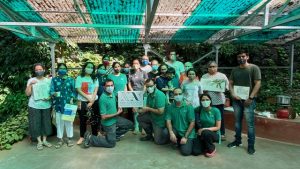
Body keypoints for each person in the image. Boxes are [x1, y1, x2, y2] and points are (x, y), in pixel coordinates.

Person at [227, 50, 261, 155]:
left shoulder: (254, 68)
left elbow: (258, 83)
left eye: (243, 56)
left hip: (249, 101)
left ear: (247, 57)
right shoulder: (235, 70)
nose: (241, 58)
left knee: (250, 124)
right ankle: (237, 141)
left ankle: (251, 146)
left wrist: (250, 98)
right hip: (237, 100)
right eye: (239, 57)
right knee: (237, 123)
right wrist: (232, 94)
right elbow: (230, 83)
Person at [83, 79, 133, 148]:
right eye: (108, 86)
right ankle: (90, 138)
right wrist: (117, 113)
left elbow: (117, 100)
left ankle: (114, 136)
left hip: (115, 119)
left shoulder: (112, 93)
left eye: (111, 85)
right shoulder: (103, 99)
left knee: (130, 124)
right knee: (111, 144)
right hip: (108, 123)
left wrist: (119, 105)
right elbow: (103, 117)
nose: (110, 87)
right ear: (104, 87)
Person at [25, 63, 52, 150]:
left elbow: (51, 93)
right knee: (36, 123)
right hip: (34, 105)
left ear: (44, 70)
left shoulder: (49, 80)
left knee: (46, 122)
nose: (38, 71)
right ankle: (39, 141)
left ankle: (44, 140)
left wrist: (49, 97)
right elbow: (27, 94)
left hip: (46, 105)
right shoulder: (31, 80)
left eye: (40, 69)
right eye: (36, 70)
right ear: (34, 71)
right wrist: (30, 85)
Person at [165, 88, 199, 156]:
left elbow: (192, 123)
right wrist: (171, 133)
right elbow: (168, 120)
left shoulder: (188, 106)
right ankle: (176, 141)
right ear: (173, 96)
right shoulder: (170, 106)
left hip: (187, 132)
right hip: (177, 130)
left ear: (183, 95)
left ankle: (183, 141)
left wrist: (186, 136)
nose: (178, 96)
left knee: (186, 152)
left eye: (180, 94)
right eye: (176, 94)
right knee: (165, 131)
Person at [50, 63, 76, 148]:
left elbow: (74, 91)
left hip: (69, 104)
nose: (62, 70)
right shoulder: (54, 80)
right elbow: (51, 91)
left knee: (69, 123)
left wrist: (72, 97)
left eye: (64, 68)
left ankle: (69, 139)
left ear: (66, 70)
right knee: (59, 123)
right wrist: (54, 93)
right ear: (58, 70)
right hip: (58, 105)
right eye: (60, 68)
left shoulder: (71, 79)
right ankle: (60, 139)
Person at [135, 79, 169, 145]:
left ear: (155, 85)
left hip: (160, 120)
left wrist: (147, 108)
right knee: (139, 118)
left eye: (151, 86)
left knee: (158, 142)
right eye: (147, 86)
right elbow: (147, 108)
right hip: (152, 116)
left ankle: (166, 132)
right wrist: (139, 110)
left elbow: (160, 112)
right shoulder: (149, 95)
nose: (149, 88)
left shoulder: (159, 95)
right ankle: (149, 135)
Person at [201, 61, 229, 140]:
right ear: (208, 68)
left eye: (214, 66)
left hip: (219, 100)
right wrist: (204, 90)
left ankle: (222, 133)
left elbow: (227, 87)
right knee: (209, 117)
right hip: (207, 101)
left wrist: (221, 89)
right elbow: (201, 88)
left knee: (220, 117)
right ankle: (210, 132)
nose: (212, 68)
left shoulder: (222, 76)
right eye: (210, 67)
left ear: (217, 67)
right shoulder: (204, 76)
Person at [75, 62, 99, 145]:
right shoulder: (79, 78)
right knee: (82, 119)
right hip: (82, 101)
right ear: (84, 67)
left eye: (91, 67)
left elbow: (96, 89)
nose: (90, 68)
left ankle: (95, 135)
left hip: (93, 101)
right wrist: (88, 98)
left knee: (94, 119)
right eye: (88, 67)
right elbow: (78, 89)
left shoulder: (95, 78)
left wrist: (92, 101)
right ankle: (82, 137)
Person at [128, 59, 148, 133]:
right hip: (135, 93)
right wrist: (132, 92)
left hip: (143, 93)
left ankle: (143, 128)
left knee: (143, 111)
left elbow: (146, 83)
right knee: (135, 111)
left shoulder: (144, 72)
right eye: (133, 63)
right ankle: (136, 127)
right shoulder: (130, 72)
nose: (135, 64)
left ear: (139, 64)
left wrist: (143, 92)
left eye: (136, 63)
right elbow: (129, 83)